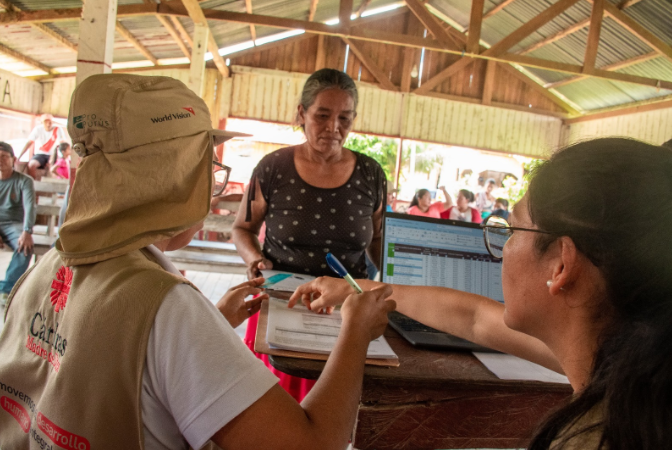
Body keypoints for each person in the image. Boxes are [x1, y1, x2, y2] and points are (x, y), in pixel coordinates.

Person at [0, 74, 395, 450]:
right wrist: (356, 332)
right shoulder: (170, 308)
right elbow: (310, 444)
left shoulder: (48, 266)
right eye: (208, 167)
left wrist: (213, 324)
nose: (212, 185)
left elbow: (126, 370)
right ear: (174, 176)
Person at [289, 137, 672, 449]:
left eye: (514, 230)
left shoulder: (597, 436)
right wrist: (355, 288)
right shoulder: (629, 361)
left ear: (560, 266)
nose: (502, 247)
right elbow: (471, 316)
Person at [232, 68, 388, 402]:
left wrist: (386, 281)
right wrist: (255, 258)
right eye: (322, 115)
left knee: (333, 409)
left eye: (345, 118)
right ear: (302, 114)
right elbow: (242, 229)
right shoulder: (273, 168)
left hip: (346, 313)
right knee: (272, 412)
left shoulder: (371, 174)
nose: (334, 128)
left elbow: (378, 239)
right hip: (282, 305)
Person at [0, 141, 35, 306]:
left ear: (13, 159)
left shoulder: (24, 181)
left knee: (25, 248)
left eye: (4, 157)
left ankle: (6, 290)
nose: (0, 160)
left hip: (13, 224)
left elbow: (30, 207)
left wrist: (27, 231)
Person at [17, 113, 67, 180]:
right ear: (42, 122)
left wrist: (64, 157)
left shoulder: (58, 129)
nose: (48, 124)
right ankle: (33, 184)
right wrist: (19, 156)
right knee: (31, 165)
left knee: (53, 169)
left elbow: (63, 144)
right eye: (46, 122)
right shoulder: (38, 129)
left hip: (54, 154)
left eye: (50, 122)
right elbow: (29, 143)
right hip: (40, 154)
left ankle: (53, 187)